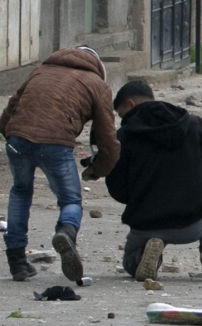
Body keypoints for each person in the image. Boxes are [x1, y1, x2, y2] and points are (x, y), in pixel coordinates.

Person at [1, 46, 120, 282]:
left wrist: (11, 135)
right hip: (55, 142)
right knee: (70, 200)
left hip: (17, 139)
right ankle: (66, 232)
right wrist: (99, 169)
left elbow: (11, 108)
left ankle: (17, 262)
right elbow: (107, 136)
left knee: (20, 192)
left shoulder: (40, 71)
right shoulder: (98, 85)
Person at [106, 81, 202, 282]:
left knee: (129, 260)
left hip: (145, 224)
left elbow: (117, 188)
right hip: (191, 221)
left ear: (130, 104)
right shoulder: (193, 123)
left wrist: (139, 196)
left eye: (121, 115)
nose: (122, 121)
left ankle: (144, 257)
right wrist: (196, 189)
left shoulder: (124, 135)